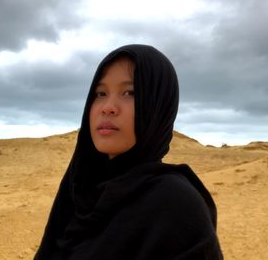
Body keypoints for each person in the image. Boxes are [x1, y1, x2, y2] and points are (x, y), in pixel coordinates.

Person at [34, 44, 223, 259]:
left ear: (157, 106)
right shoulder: (80, 188)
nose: (108, 107)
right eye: (101, 93)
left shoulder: (176, 205)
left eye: (129, 93)